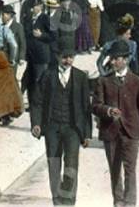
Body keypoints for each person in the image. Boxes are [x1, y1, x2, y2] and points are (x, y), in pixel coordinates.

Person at [92, 40, 139, 207]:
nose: (112, 62)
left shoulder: (137, 81)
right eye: (111, 58)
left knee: (130, 169)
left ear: (125, 60)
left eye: (115, 58)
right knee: (114, 169)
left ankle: (130, 202)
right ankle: (118, 201)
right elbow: (95, 106)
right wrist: (108, 111)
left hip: (131, 131)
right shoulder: (103, 81)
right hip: (110, 132)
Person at [30, 49, 93, 206]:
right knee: (54, 163)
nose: (68, 61)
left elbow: (86, 107)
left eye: (71, 57)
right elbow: (36, 101)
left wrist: (86, 134)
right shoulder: (48, 75)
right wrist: (36, 124)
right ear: (58, 57)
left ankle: (69, 200)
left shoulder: (80, 77)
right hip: (52, 127)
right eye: (64, 57)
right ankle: (57, 199)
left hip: (73, 128)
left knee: (71, 165)